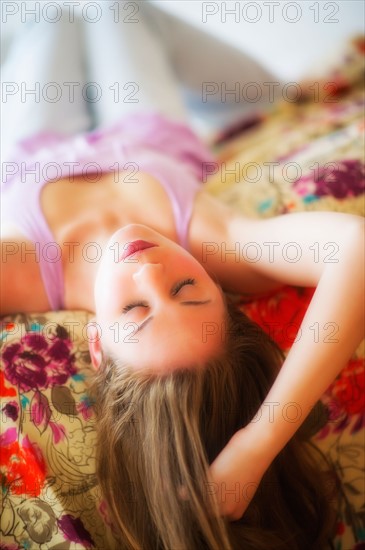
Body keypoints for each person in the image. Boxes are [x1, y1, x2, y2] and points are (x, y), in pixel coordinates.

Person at [1, 2, 364, 549]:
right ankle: (279, 95)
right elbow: (353, 249)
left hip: (33, 156)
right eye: (186, 291)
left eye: (135, 310)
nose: (149, 269)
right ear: (219, 287)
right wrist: (257, 443)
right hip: (146, 132)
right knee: (119, 9)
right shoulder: (210, 239)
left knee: (46, 20)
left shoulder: (26, 272)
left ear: (97, 345)